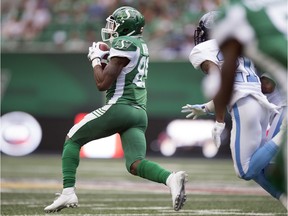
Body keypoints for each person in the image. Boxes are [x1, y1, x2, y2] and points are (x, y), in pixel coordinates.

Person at [44, 6, 187, 213]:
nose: (110, 29)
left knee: (72, 138)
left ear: (125, 27)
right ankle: (171, 178)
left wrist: (95, 60)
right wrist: (105, 58)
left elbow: (102, 83)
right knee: (135, 164)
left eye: (114, 24)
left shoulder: (124, 43)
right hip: (139, 113)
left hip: (121, 108)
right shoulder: (140, 45)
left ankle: (68, 192)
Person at [181, 10, 287, 209]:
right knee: (259, 166)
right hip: (261, 104)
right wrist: (208, 107)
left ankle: (283, 135)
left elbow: (219, 81)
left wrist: (219, 120)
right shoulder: (245, 45)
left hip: (245, 104)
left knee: (244, 170)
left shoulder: (203, 49)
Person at [211, 0, 287, 208]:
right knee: (270, 169)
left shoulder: (240, 17)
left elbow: (269, 85)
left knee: (265, 170)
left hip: (282, 104)